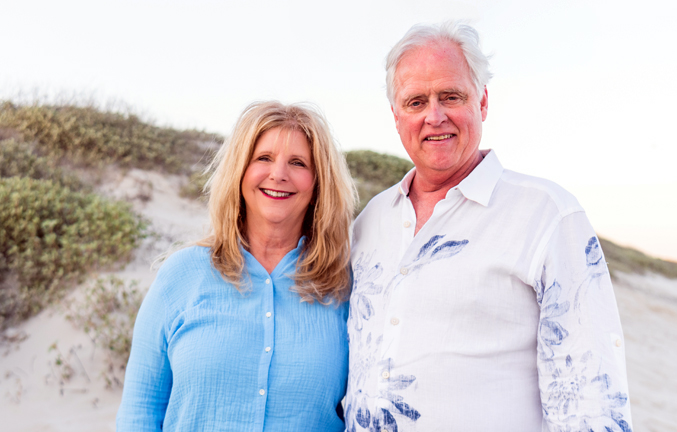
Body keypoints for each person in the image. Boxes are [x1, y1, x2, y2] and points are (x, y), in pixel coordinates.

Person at [346, 22, 633, 432]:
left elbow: (590, 394)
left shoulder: (548, 216)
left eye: (451, 96)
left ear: (481, 102)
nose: (435, 116)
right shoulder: (371, 221)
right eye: (415, 102)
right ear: (396, 117)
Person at [117, 101, 356, 431]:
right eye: (264, 158)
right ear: (240, 171)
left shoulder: (344, 288)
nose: (279, 174)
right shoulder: (181, 275)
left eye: (298, 163)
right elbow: (140, 409)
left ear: (318, 184)